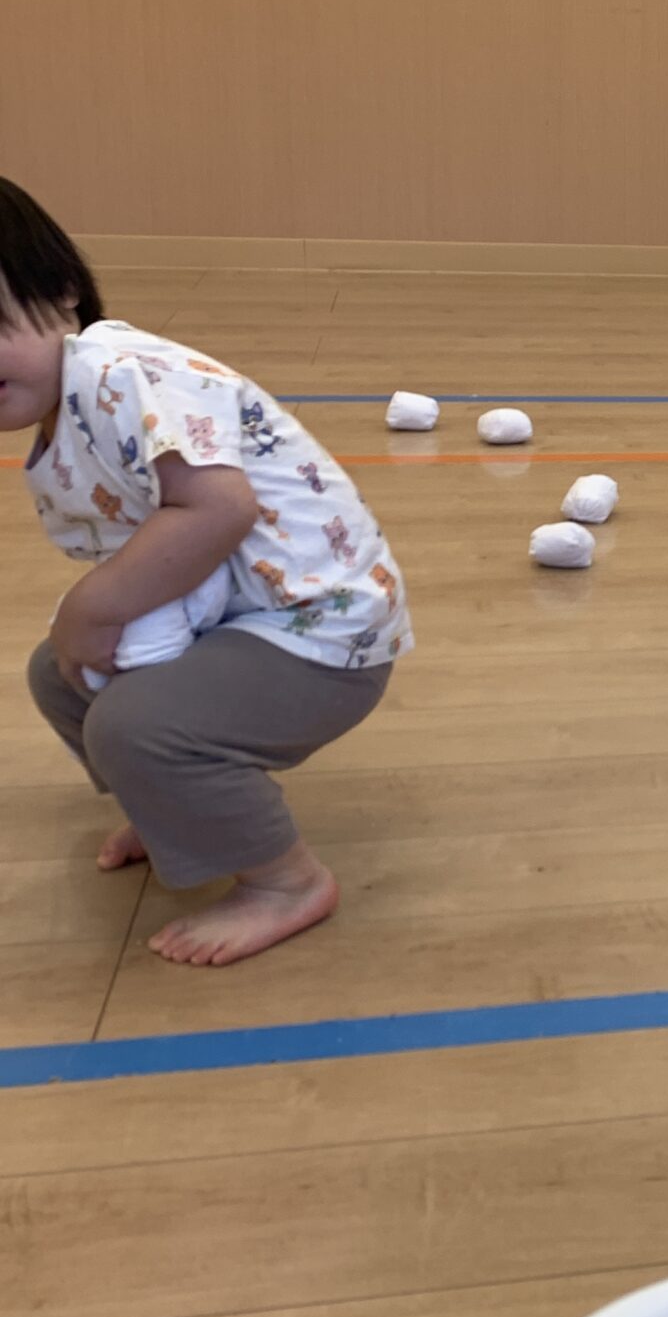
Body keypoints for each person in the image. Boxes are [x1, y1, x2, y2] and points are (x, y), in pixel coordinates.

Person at [1, 179, 411, 965]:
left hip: (322, 631)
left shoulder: (118, 373)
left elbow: (220, 510)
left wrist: (91, 605)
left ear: (61, 293)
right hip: (239, 616)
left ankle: (286, 883)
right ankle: (178, 811)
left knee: (134, 725)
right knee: (58, 677)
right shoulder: (63, 415)